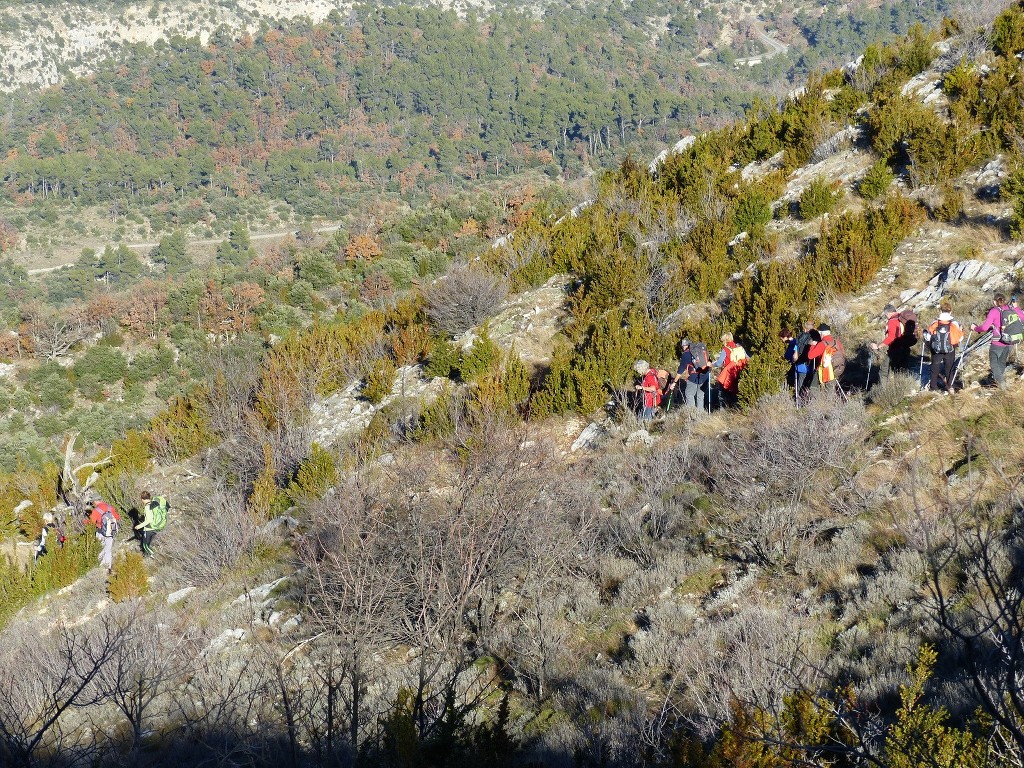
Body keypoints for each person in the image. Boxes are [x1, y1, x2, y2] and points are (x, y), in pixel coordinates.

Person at [972, 293, 1024, 388]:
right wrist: (1016, 308)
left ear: (994, 302)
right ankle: (997, 382)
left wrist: (975, 328)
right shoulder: (1011, 308)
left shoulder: (994, 311)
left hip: (997, 342)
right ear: (1004, 300)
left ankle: (1001, 384)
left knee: (994, 364)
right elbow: (1023, 318)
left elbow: (984, 327)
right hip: (1009, 341)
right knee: (1002, 362)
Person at [923, 302, 964, 393]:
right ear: (951, 311)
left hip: (936, 350)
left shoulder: (935, 323)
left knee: (934, 367)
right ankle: (950, 386)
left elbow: (928, 337)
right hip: (950, 350)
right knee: (949, 368)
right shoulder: (954, 323)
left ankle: (933, 387)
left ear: (940, 311)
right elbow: (960, 338)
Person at [871, 304, 916, 383]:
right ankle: (902, 389)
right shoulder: (902, 318)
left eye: (885, 315)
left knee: (883, 371)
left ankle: (883, 393)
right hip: (906, 348)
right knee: (901, 370)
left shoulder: (892, 321)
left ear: (888, 313)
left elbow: (891, 338)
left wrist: (877, 346)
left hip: (895, 349)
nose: (886, 317)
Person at [669, 340, 711, 411]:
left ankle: (692, 413)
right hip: (705, 375)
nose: (682, 348)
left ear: (685, 346)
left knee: (689, 394)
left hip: (694, 377)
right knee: (700, 396)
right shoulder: (701, 349)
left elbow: (680, 370)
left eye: (683, 346)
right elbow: (709, 361)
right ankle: (701, 415)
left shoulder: (686, 354)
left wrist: (674, 382)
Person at [806, 324, 845, 396]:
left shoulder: (822, 344)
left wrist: (813, 345)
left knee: (813, 387)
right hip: (838, 368)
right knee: (830, 390)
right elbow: (843, 354)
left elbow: (810, 356)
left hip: (825, 370)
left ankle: (816, 404)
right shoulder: (837, 342)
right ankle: (830, 404)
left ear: (821, 333)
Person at [713, 332, 748, 407]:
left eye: (723, 340)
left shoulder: (725, 349)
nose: (722, 342)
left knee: (722, 393)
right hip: (737, 372)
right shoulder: (739, 347)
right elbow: (747, 358)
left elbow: (719, 363)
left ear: (725, 340)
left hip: (728, 374)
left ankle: (723, 411)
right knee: (734, 391)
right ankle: (734, 409)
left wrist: (712, 364)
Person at [87, 499, 120, 573]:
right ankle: (108, 567)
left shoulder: (96, 510)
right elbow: (117, 517)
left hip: (101, 531)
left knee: (100, 549)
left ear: (96, 501)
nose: (93, 503)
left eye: (93, 502)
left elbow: (91, 523)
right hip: (111, 532)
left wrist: (86, 521)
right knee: (108, 550)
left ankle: (100, 568)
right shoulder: (110, 507)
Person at [135, 490, 168, 557]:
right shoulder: (154, 504)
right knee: (148, 545)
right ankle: (148, 558)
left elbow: (149, 520)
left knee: (145, 546)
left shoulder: (148, 507)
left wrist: (139, 526)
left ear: (142, 499)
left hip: (149, 529)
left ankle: (155, 556)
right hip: (156, 527)